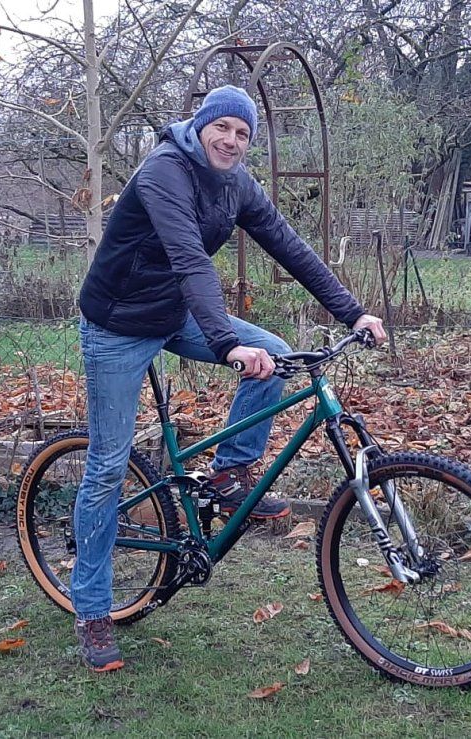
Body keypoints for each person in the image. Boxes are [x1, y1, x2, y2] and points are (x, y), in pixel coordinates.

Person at [71, 85, 388, 672]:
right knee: (108, 466)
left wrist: (353, 312)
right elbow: (190, 259)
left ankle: (228, 473)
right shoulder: (164, 171)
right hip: (117, 325)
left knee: (277, 354)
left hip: (173, 312)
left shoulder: (236, 184)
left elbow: (291, 247)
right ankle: (91, 609)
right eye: (223, 128)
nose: (231, 141)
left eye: (243, 134)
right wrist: (226, 343)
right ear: (200, 126)